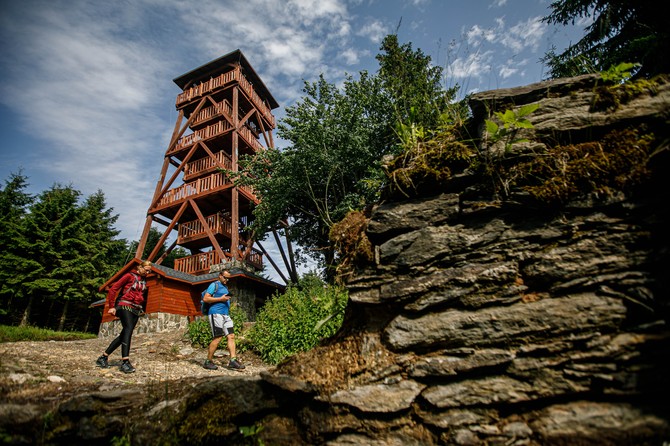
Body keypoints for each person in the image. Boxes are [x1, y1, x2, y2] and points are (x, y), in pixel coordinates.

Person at [95, 260, 152, 373]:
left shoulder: (144, 281)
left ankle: (103, 357)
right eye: (146, 270)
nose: (147, 272)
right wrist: (112, 306)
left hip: (136, 309)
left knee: (124, 335)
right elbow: (113, 289)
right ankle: (125, 362)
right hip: (124, 305)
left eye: (149, 271)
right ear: (140, 267)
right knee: (128, 330)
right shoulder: (129, 276)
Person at [202, 270, 245, 371]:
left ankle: (233, 360)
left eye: (228, 278)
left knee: (231, 336)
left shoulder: (225, 287)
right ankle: (208, 361)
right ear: (220, 276)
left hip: (226, 315)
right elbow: (206, 299)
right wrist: (221, 299)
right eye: (225, 277)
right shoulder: (214, 285)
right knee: (218, 337)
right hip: (216, 314)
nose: (227, 280)